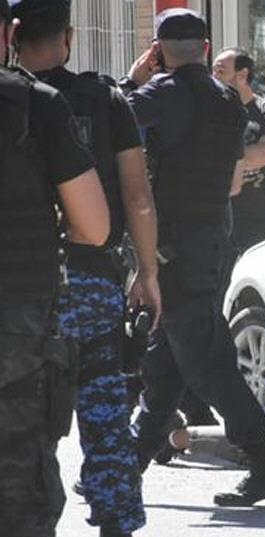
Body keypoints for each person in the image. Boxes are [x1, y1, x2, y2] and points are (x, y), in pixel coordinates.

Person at [119, 8, 265, 506]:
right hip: (213, 241)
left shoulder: (159, 95)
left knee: (205, 360)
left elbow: (116, 121)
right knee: (170, 358)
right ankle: (128, 467)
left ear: (158, 50)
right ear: (206, 46)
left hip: (174, 248)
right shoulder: (226, 99)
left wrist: (135, 78)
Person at [11, 1, 160, 534]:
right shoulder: (105, 99)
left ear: (13, 36)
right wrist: (148, 273)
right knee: (104, 412)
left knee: (27, 420)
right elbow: (138, 196)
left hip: (28, 293)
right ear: (69, 37)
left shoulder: (15, 102)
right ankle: (116, 520)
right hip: (94, 279)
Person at [0, 0, 111, 534]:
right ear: (10, 34)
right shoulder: (35, 104)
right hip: (15, 337)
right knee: (20, 503)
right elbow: (93, 226)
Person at [212, 47, 265, 252]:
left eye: (220, 71)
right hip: (221, 220)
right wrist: (249, 154)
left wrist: (221, 160)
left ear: (242, 75)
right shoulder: (211, 114)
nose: (214, 77)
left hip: (259, 222)